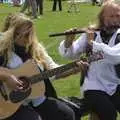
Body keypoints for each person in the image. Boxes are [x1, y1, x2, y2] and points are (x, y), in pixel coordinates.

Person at [0, 13, 81, 120]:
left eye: (30, 34)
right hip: (10, 104)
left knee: (67, 114)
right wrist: (7, 77)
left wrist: (74, 68)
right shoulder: (2, 50)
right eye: (25, 34)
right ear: (12, 33)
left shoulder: (36, 49)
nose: (28, 38)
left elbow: (52, 71)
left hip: (37, 100)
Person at [58, 1, 120, 120]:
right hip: (93, 85)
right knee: (109, 113)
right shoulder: (92, 33)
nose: (115, 19)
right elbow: (70, 54)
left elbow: (115, 56)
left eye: (118, 15)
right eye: (111, 16)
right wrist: (68, 41)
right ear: (102, 18)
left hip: (116, 83)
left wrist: (92, 43)